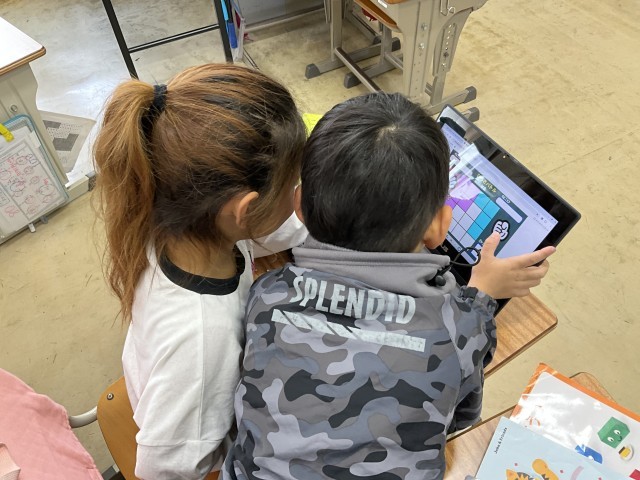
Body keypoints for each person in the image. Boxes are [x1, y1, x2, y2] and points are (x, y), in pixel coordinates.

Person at [223, 92, 555, 479]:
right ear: (438, 226)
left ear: (300, 205)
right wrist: (479, 297)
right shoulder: (461, 328)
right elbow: (458, 419)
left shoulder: (268, 292)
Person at [93, 64, 308, 480]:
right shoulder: (204, 339)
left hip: (175, 396)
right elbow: (161, 471)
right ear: (245, 210)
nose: (298, 195)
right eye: (293, 186)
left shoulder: (176, 219)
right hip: (194, 441)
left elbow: (267, 230)